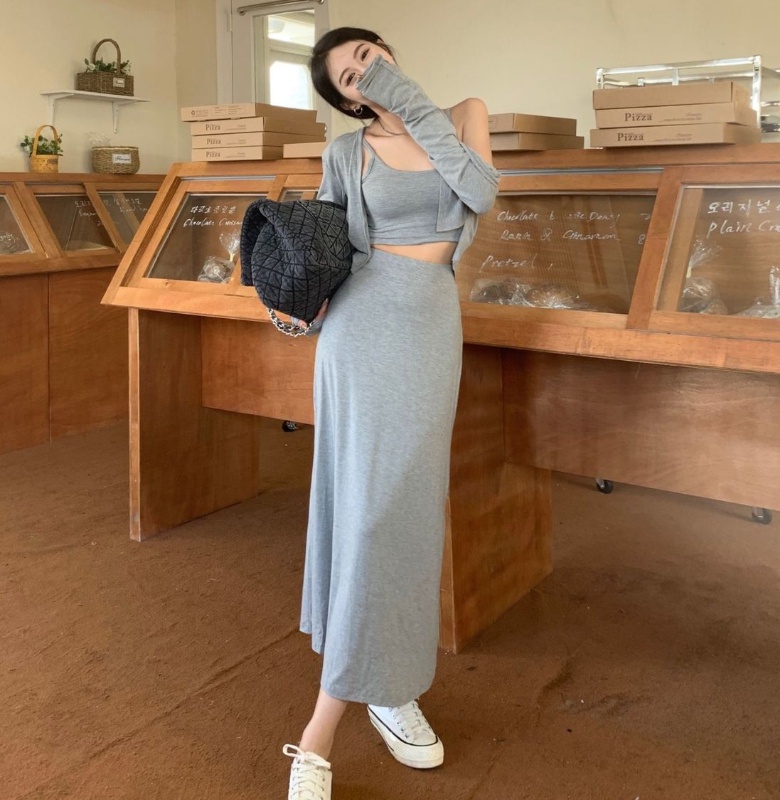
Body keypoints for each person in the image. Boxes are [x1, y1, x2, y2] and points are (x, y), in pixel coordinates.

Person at [282, 27, 499, 800]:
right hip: (360, 332)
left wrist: (403, 100)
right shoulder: (347, 152)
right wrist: (297, 303)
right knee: (367, 516)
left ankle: (388, 683)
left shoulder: (465, 115)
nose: (364, 74)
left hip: (428, 327)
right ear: (346, 102)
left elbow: (479, 192)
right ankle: (323, 734)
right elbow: (328, 246)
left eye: (369, 57)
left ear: (391, 55)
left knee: (403, 512)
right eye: (350, 77)